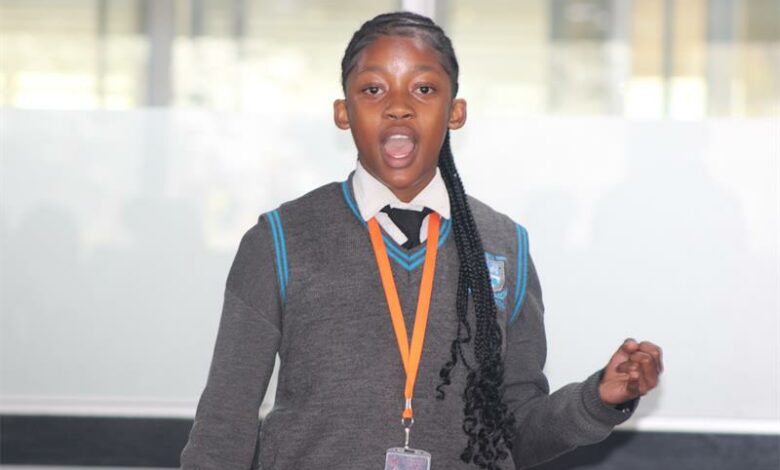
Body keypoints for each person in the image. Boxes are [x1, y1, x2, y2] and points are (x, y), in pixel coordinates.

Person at [180, 11, 663, 470]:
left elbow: (513, 431)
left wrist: (598, 399)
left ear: (455, 112)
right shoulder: (281, 240)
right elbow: (225, 423)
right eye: (373, 89)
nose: (398, 106)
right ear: (343, 112)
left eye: (424, 89)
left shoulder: (504, 245)